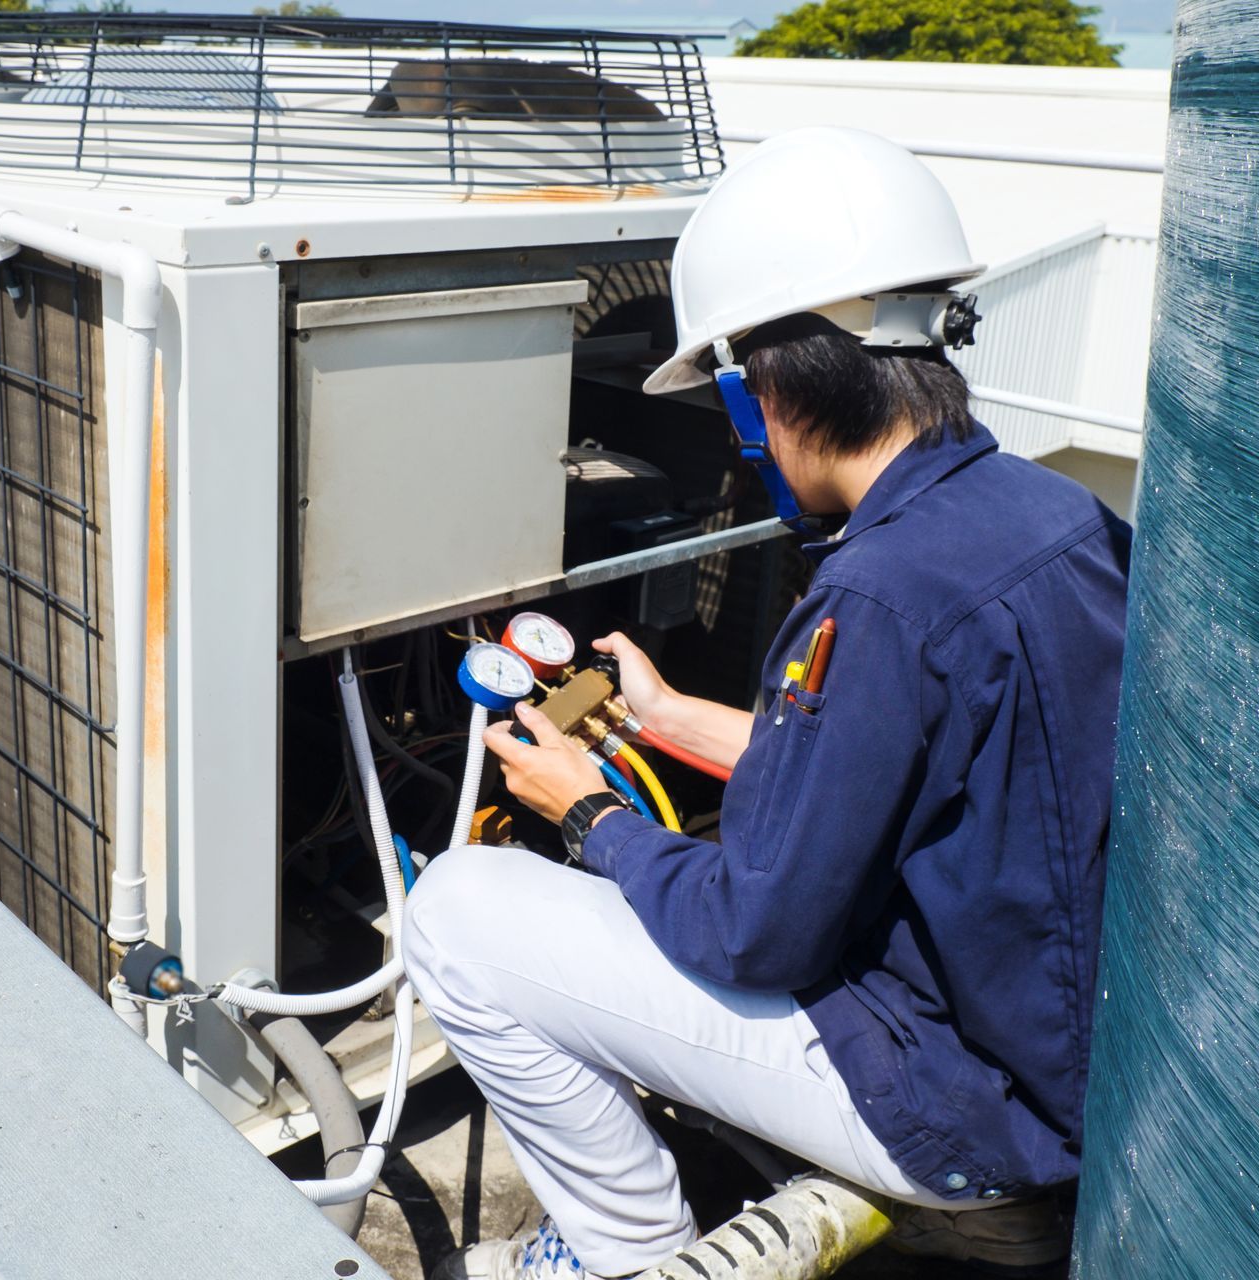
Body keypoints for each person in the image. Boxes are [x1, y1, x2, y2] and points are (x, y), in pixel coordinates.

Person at [401, 126, 1132, 1280]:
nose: (745, 446)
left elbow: (758, 928)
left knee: (456, 905)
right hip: (1067, 1072)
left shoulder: (877, 592)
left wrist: (592, 814)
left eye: (733, 401)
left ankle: (620, 1251)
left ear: (776, 389)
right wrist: (660, 714)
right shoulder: (1057, 517)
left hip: (960, 1101)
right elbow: (883, 773)